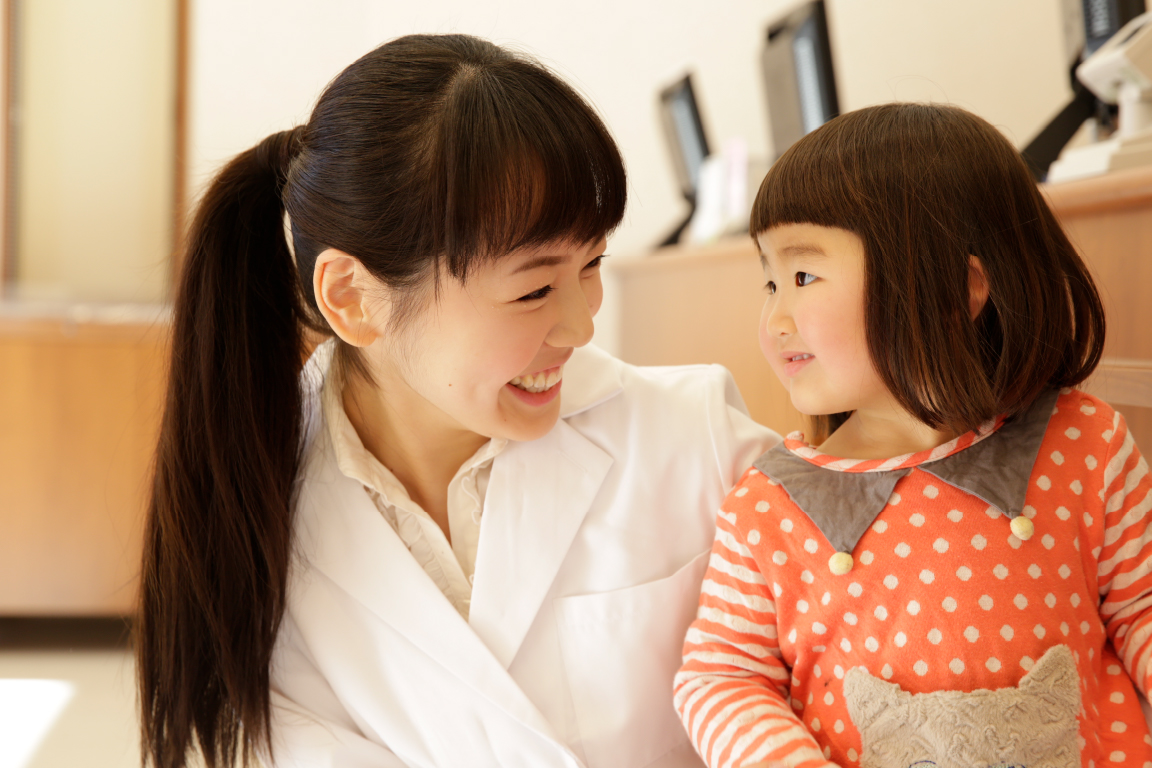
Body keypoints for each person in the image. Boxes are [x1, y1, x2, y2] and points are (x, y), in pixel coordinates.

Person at [136, 34, 778, 768]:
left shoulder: (696, 437)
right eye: (533, 289)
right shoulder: (255, 522)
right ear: (353, 298)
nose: (581, 326)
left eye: (592, 263)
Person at [673, 103, 1152, 768]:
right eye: (771, 282)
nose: (775, 318)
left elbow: (1141, 608)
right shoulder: (769, 506)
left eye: (803, 276)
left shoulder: (1083, 443)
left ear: (959, 289)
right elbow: (721, 676)